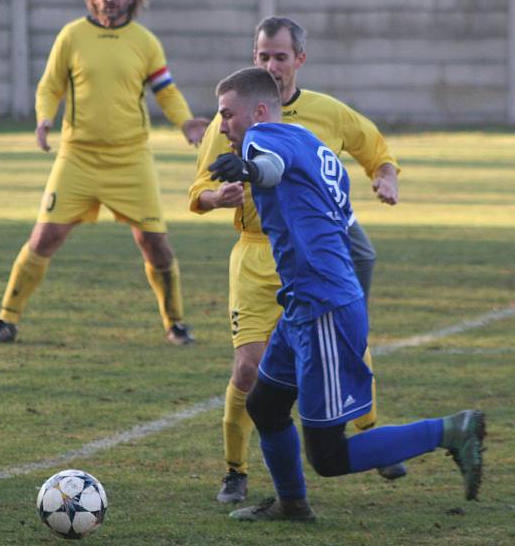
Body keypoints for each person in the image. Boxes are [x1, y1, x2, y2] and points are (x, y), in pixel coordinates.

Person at [208, 66, 486, 522]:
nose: (222, 126)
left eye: (226, 115)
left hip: (322, 308)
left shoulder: (262, 139)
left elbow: (270, 169)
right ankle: (292, 505)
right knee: (265, 404)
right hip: (306, 301)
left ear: (258, 111)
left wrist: (248, 168)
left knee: (329, 456)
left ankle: (451, 430)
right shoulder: (309, 141)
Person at [188, 17, 403, 503]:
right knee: (249, 370)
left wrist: (386, 177)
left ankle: (370, 441)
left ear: (299, 60)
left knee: (341, 342)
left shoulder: (320, 116)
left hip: (310, 255)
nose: (270, 64)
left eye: (279, 56)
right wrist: (214, 198)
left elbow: (374, 150)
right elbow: (198, 190)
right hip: (253, 256)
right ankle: (236, 470)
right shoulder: (232, 116)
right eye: (262, 56)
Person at [0, 0, 208, 346]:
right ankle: (6, 319)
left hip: (130, 158)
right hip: (78, 157)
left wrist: (186, 122)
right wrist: (43, 118)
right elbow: (49, 85)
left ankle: (175, 324)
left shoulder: (145, 42)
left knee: (154, 242)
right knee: (44, 237)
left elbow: (165, 90)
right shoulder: (71, 36)